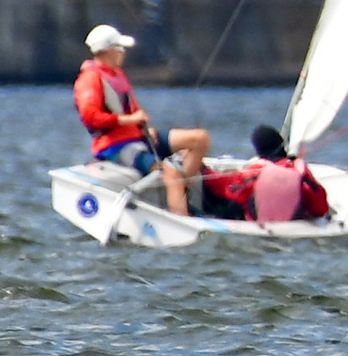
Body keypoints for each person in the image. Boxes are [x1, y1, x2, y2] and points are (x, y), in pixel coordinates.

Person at [72, 24, 208, 218]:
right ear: (108, 51)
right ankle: (181, 220)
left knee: (199, 139)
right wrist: (129, 120)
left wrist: (143, 126)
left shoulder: (117, 74)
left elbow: (133, 109)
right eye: (120, 49)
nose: (123, 54)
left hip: (138, 136)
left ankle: (181, 193)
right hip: (115, 146)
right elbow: (90, 117)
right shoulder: (89, 79)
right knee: (171, 173)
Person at [199, 125, 333, 225]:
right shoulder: (299, 168)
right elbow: (320, 207)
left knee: (221, 201)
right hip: (296, 222)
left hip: (260, 225)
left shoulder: (256, 170)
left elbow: (229, 189)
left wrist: (204, 171)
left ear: (259, 149)